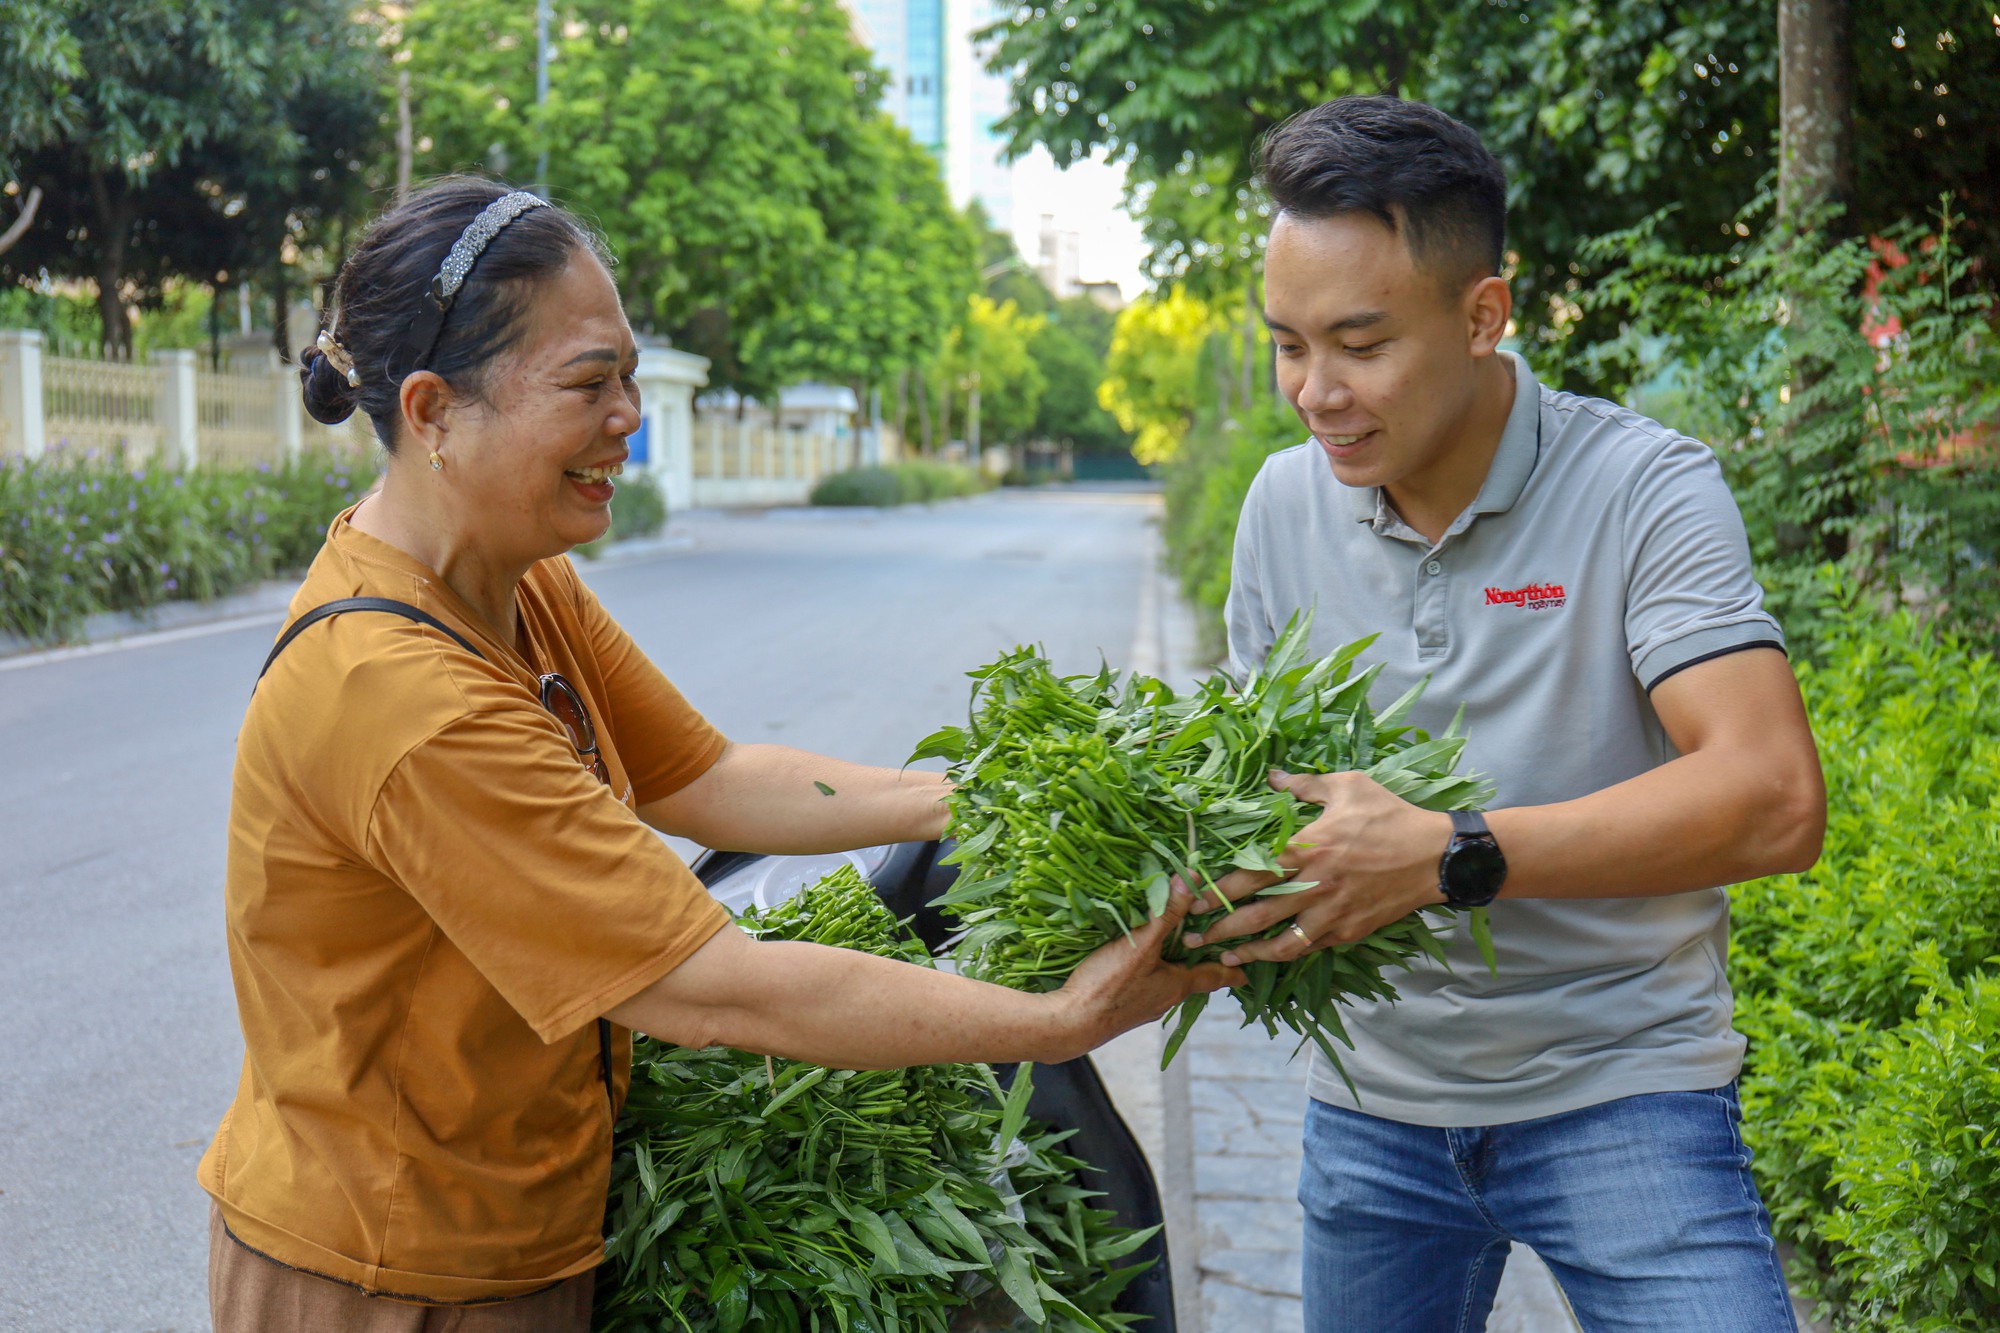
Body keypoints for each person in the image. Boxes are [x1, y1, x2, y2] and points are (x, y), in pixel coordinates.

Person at [198, 176, 1237, 1331]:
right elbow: (711, 988)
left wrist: (989, 801)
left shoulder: (520, 581)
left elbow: (708, 780)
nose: (628, 417)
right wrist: (1054, 1017)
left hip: (522, 1227)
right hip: (388, 1273)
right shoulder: (400, 699)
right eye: (590, 384)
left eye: (630, 375)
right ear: (435, 410)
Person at [1182, 98, 1827, 1332]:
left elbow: (1769, 794)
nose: (1314, 393)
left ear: (1482, 316)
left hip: (1623, 1086)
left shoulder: (1643, 487)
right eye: (1286, 345)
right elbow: (1256, 785)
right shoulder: (1280, 504)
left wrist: (1449, 854)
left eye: (1358, 344)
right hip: (1369, 1112)